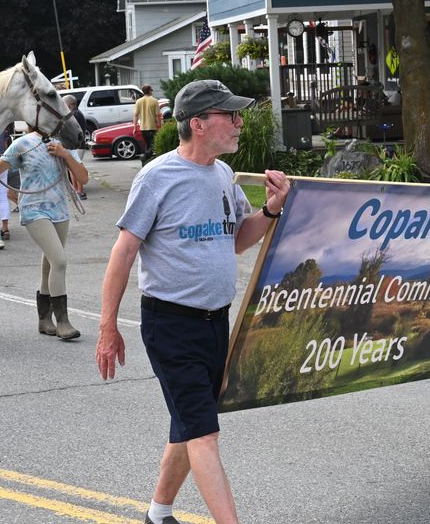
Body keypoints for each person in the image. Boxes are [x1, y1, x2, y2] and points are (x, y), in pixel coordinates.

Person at [96, 79, 291, 524]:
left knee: (189, 422)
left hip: (214, 323)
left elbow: (238, 240)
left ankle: (158, 512)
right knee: (204, 433)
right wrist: (108, 327)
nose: (240, 122)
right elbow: (123, 252)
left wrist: (271, 210)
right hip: (172, 324)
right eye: (230, 115)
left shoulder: (223, 175)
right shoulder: (157, 177)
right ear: (199, 124)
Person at [0, 124, 89, 341]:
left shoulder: (64, 141)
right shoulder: (22, 144)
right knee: (59, 261)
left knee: (49, 264)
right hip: (34, 210)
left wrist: (64, 154)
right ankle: (63, 321)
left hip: (60, 210)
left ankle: (44, 320)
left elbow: (83, 177)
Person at [64, 96, 88, 199]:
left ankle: (80, 191)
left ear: (68, 104)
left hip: (76, 146)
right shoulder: (77, 113)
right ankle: (76, 190)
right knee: (72, 169)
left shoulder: (74, 114)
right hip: (76, 146)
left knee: (74, 169)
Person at [133, 84, 162, 165]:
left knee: (147, 145)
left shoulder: (138, 101)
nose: (151, 92)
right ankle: (145, 156)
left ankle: (145, 163)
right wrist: (159, 126)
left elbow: (135, 115)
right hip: (152, 127)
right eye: (151, 90)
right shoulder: (154, 101)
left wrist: (135, 127)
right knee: (152, 146)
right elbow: (157, 115)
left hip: (143, 128)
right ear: (149, 91)